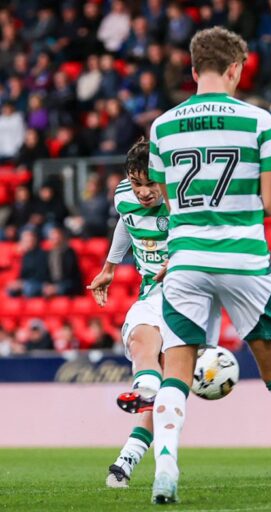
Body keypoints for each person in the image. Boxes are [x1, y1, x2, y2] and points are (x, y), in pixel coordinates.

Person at [147, 27, 271, 504]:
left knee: (176, 371)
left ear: (193, 70)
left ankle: (165, 471)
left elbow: (164, 200)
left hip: (186, 258)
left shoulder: (162, 126)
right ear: (235, 69)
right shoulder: (259, 121)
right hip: (244, 257)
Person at [86, 140, 168, 489]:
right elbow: (126, 220)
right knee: (140, 341)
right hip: (152, 290)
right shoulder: (123, 195)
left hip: (190, 292)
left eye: (151, 184)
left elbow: (200, 237)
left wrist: (174, 259)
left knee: (170, 388)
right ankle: (128, 459)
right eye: (138, 185)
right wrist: (109, 267)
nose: (145, 193)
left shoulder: (182, 199)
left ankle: (150, 463)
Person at [7, 230, 48, 298]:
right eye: (25, 241)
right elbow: (22, 274)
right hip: (26, 283)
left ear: (35, 241)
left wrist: (23, 284)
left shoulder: (42, 254)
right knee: (11, 290)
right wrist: (18, 282)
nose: (27, 243)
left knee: (28, 289)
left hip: (39, 283)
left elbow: (41, 275)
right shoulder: (25, 256)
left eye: (29, 240)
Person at [44, 227, 82, 297]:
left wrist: (55, 287)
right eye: (53, 238)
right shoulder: (49, 253)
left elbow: (70, 272)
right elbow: (47, 272)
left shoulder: (69, 252)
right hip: (54, 283)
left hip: (69, 282)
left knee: (62, 289)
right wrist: (48, 284)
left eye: (57, 238)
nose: (55, 240)